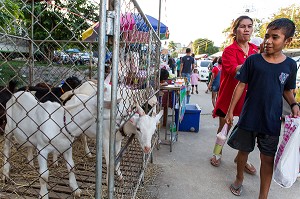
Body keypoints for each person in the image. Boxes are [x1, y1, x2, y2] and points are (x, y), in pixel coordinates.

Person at [225, 18, 298, 198]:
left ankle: (262, 196)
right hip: (249, 116)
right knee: (244, 151)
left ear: (287, 41)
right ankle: (239, 177)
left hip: (271, 120)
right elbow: (241, 85)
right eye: (266, 36)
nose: (268, 41)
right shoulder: (253, 61)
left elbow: (287, 90)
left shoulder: (290, 65)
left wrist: (294, 104)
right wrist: (230, 111)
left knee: (267, 159)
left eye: (275, 37)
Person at [210, 15, 258, 175]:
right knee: (224, 126)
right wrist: (252, 64)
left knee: (247, 129)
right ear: (235, 29)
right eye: (242, 26)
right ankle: (217, 153)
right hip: (229, 95)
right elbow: (232, 70)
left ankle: (241, 158)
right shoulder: (229, 50)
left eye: (249, 26)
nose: (246, 29)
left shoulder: (255, 50)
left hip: (248, 96)